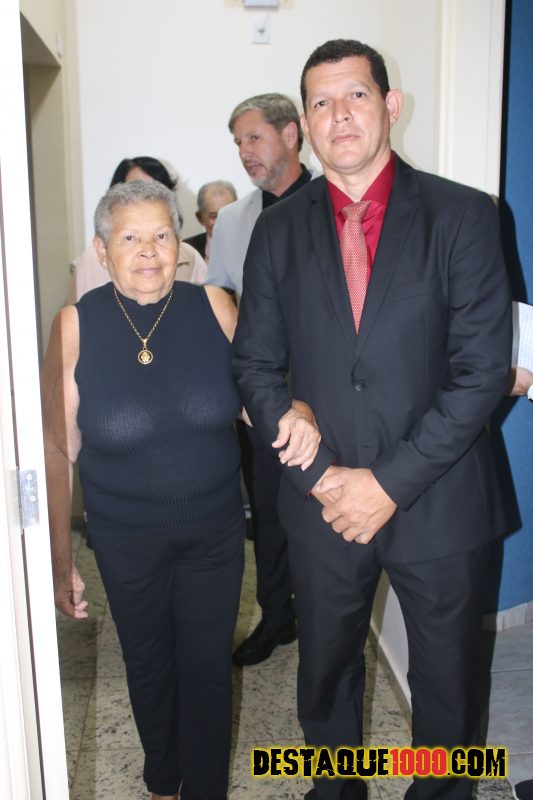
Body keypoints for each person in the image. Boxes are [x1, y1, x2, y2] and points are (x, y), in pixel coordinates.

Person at [232, 39, 512, 800]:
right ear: (306, 126)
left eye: (355, 95)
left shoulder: (464, 215)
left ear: (390, 105)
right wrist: (326, 480)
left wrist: (385, 484)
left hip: (440, 500)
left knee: (449, 686)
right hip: (320, 505)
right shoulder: (277, 233)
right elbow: (254, 365)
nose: (340, 115)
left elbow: (481, 372)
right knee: (324, 675)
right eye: (321, 102)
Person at [42, 180, 245, 800]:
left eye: (162, 234)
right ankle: (163, 779)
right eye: (130, 237)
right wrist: (58, 559)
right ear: (102, 250)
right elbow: (58, 450)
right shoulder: (77, 325)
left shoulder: (214, 307)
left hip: (214, 535)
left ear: (180, 244)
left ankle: (205, 787)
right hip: (126, 541)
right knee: (149, 663)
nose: (150, 250)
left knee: (207, 668)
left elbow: (262, 406)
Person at [207, 93, 317, 668]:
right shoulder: (232, 220)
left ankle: (325, 615)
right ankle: (277, 616)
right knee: (270, 512)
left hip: (331, 386)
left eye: (254, 137)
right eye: (238, 142)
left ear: (291, 134)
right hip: (264, 391)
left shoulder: (333, 202)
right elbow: (218, 292)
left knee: (324, 507)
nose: (245, 151)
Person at [67, 155, 206, 302]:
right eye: (134, 190)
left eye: (156, 190)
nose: (148, 251)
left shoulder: (190, 257)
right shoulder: (92, 259)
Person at [184, 180, 237, 262]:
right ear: (200, 218)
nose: (222, 222)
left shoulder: (253, 246)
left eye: (228, 214)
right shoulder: (185, 251)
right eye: (214, 216)